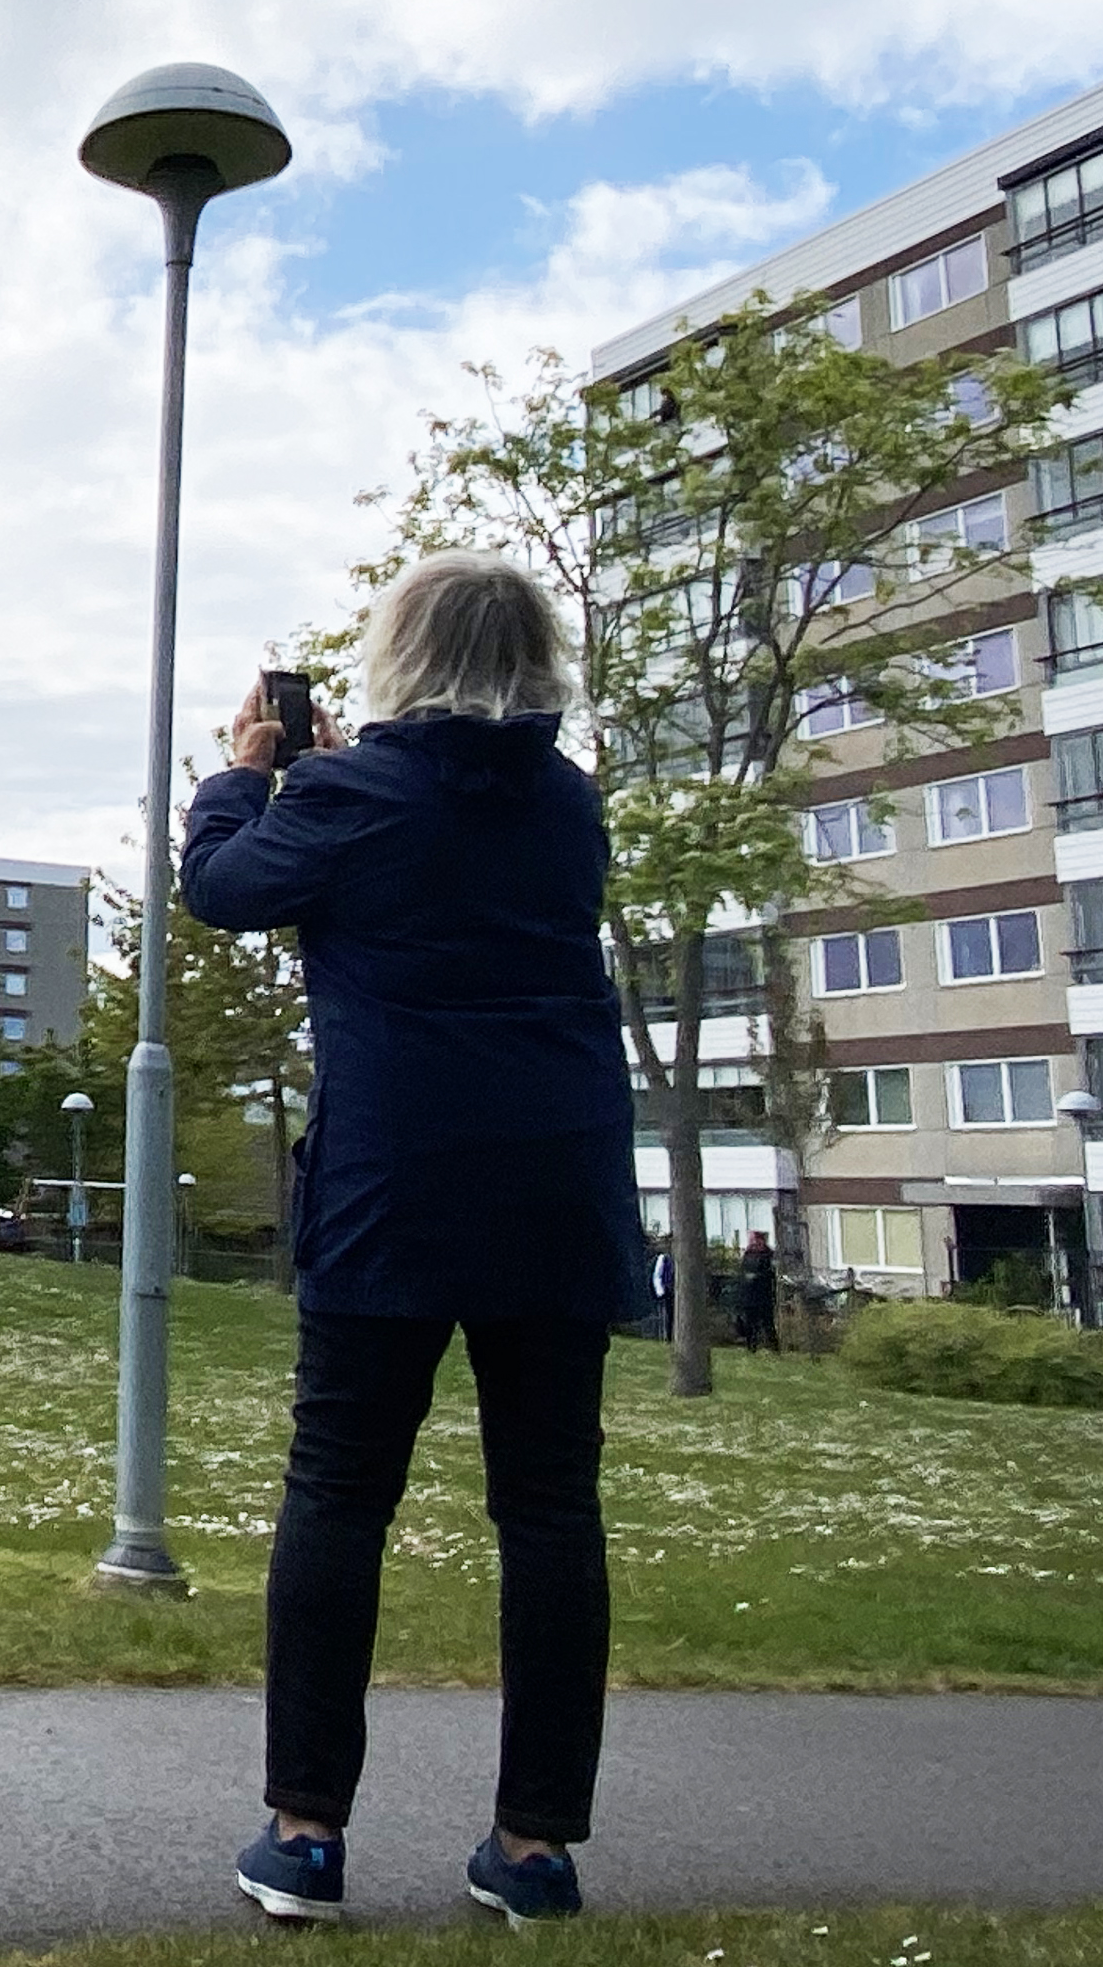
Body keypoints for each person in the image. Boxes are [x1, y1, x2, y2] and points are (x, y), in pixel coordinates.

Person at [182, 552, 639, 1930]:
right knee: (549, 1507)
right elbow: (449, 838)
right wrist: (328, 782)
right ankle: (537, 1850)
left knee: (340, 1496)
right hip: (558, 1187)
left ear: (404, 654)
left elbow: (220, 887)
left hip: (396, 1191)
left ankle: (306, 1834)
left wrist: (249, 774)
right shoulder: (571, 806)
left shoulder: (349, 796)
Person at [735, 1231, 779, 1353]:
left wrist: (757, 1277)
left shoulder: (768, 1255)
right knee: (750, 1322)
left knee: (767, 1322)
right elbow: (742, 1272)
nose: (753, 1242)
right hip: (749, 1295)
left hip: (764, 1295)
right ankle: (751, 1346)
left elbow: (769, 1274)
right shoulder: (748, 1254)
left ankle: (773, 1347)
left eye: (755, 1240)